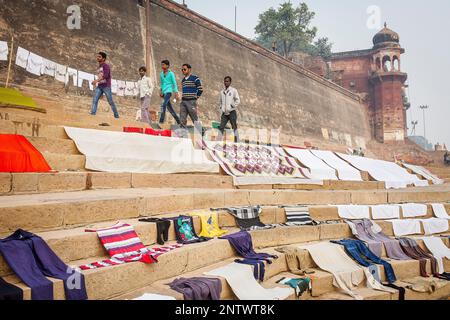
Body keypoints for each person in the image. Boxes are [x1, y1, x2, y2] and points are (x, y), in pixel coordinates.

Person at [90, 52, 119, 118]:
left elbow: (105, 76)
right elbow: (100, 75)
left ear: (103, 59)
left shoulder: (106, 66)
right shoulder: (99, 67)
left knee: (110, 101)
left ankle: (116, 116)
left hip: (106, 86)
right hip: (100, 86)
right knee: (95, 100)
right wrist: (97, 82)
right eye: (97, 56)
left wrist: (96, 81)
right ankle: (92, 114)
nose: (97, 58)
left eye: (99, 57)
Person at [180, 63, 203, 130]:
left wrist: (196, 97)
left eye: (184, 69)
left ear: (189, 69)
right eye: (182, 70)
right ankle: (183, 134)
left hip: (191, 101)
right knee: (182, 118)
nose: (183, 71)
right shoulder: (183, 80)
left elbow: (200, 89)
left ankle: (200, 132)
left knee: (194, 118)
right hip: (183, 101)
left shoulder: (195, 78)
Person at [217, 76, 240, 143]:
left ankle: (237, 142)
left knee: (234, 127)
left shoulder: (233, 90)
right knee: (221, 127)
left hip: (232, 112)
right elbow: (220, 102)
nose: (226, 82)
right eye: (225, 81)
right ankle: (218, 141)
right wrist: (221, 108)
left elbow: (238, 100)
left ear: (230, 82)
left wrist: (232, 106)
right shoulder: (222, 92)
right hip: (224, 113)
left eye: (227, 81)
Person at [159, 60, 181, 126]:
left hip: (169, 91)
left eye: (163, 64)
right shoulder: (161, 74)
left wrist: (176, 92)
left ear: (167, 66)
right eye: (161, 64)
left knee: (163, 104)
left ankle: (161, 121)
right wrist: (161, 91)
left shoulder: (171, 74)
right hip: (164, 92)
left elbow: (174, 83)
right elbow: (162, 83)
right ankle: (179, 121)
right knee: (170, 109)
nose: (162, 66)